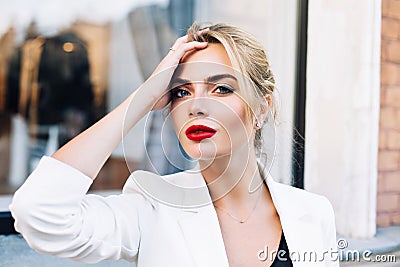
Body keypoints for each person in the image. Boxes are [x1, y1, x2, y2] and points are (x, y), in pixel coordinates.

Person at [10, 23, 339, 267]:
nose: (196, 106)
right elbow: (37, 213)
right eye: (180, 92)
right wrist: (143, 98)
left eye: (221, 89)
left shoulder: (312, 212)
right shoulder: (152, 206)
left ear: (262, 109)